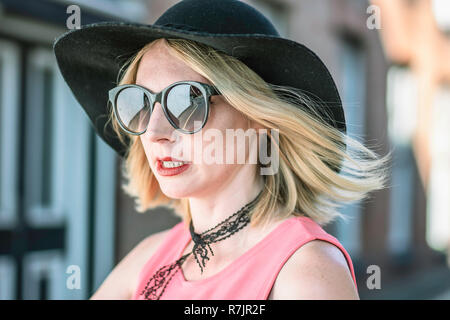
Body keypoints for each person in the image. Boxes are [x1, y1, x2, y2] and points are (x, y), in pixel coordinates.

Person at [53, 0, 391, 300]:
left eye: (186, 101)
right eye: (138, 102)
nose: (154, 132)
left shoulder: (305, 272)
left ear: (258, 117)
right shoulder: (148, 258)